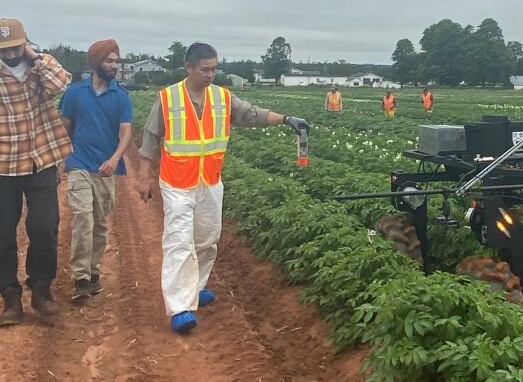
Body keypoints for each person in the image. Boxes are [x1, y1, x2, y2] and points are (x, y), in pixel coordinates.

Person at [136, 42, 310, 333]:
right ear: (189, 67)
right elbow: (151, 137)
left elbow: (251, 114)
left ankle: (197, 286)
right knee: (179, 241)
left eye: (214, 69)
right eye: (205, 69)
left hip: (209, 181)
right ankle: (181, 307)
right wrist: (143, 175)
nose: (210, 75)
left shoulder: (222, 98)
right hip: (177, 182)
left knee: (207, 238)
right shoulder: (167, 98)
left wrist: (286, 119)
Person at [0, 18, 72, 326]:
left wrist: (34, 57)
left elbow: (61, 84)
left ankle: (41, 291)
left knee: (45, 227)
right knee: (2, 234)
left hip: (41, 160)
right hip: (3, 165)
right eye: (4, 48)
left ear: (24, 43)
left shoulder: (40, 66)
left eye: (15, 47)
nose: (10, 54)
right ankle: (10, 297)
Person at [59, 39, 133, 301]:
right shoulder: (74, 93)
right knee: (83, 217)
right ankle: (80, 277)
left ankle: (93, 271)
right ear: (95, 62)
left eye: (116, 61)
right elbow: (64, 127)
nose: (114, 66)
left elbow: (126, 133)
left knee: (100, 224)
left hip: (105, 169)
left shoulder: (121, 96)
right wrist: (60, 161)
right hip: (78, 163)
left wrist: (114, 159)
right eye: (109, 60)